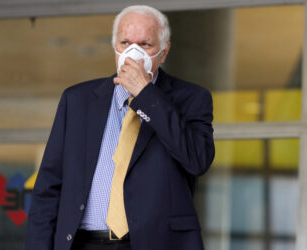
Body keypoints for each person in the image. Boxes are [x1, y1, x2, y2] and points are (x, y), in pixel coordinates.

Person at [25, 5, 214, 250]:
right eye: (125, 42)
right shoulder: (77, 100)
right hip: (84, 243)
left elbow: (197, 160)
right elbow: (48, 188)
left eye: (145, 45)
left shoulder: (191, 98)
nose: (133, 53)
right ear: (115, 46)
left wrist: (148, 96)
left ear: (164, 52)